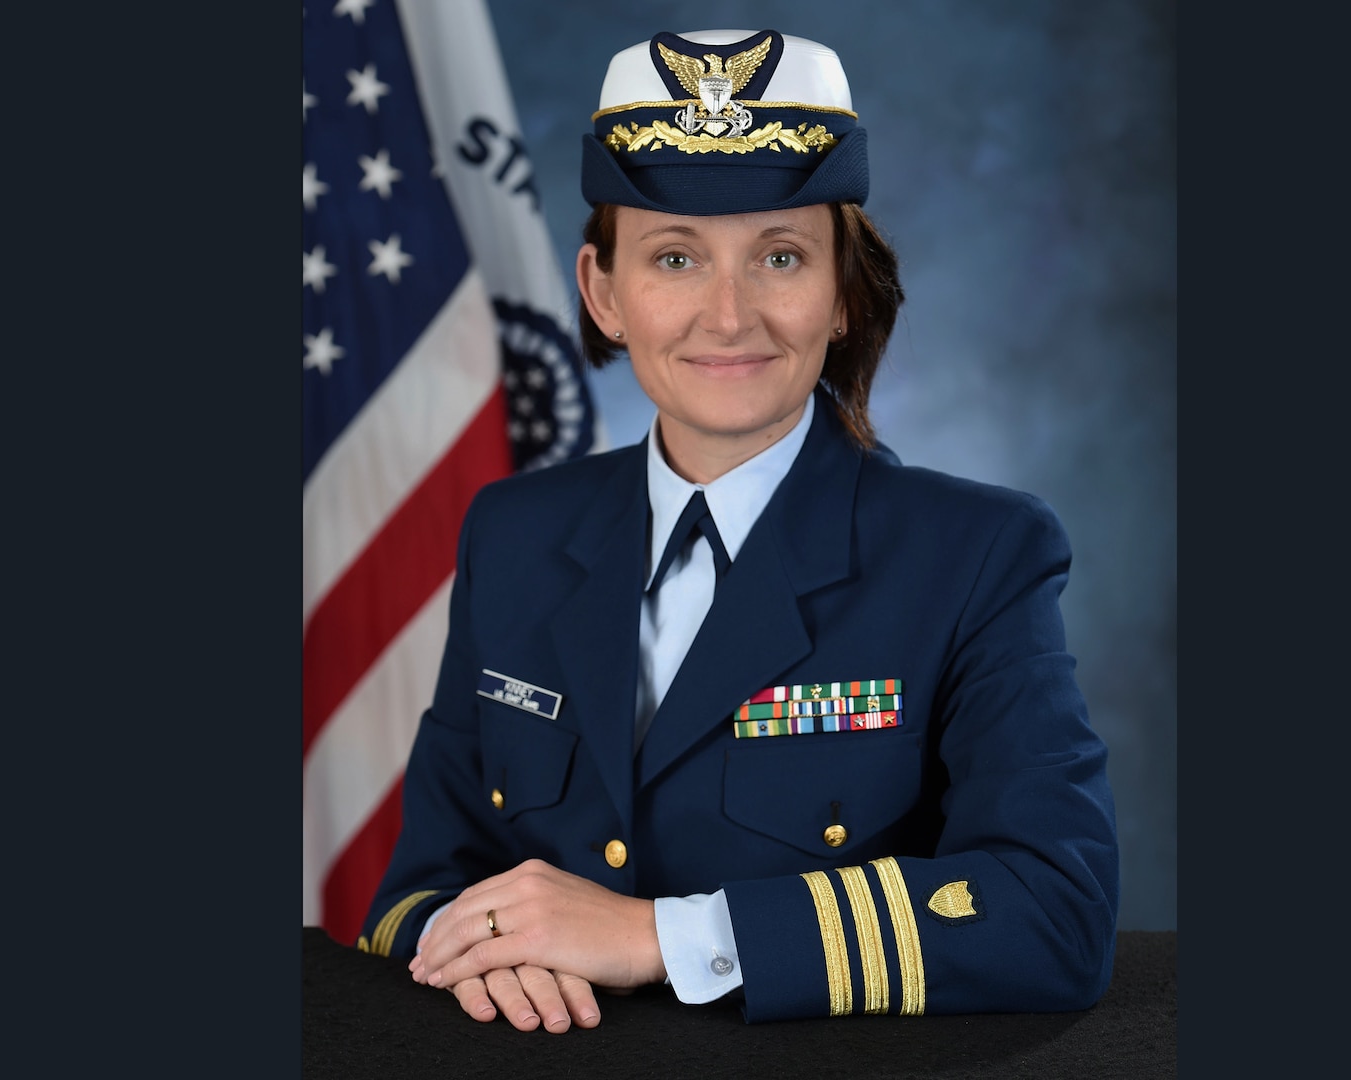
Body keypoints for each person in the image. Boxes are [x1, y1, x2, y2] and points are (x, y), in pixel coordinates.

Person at [359, 28, 1120, 1030]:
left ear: (842, 292)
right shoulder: (511, 534)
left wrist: (648, 938)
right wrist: (487, 950)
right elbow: (417, 893)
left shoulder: (977, 556)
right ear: (604, 293)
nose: (727, 315)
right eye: (674, 258)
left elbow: (1055, 915)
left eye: (779, 256)